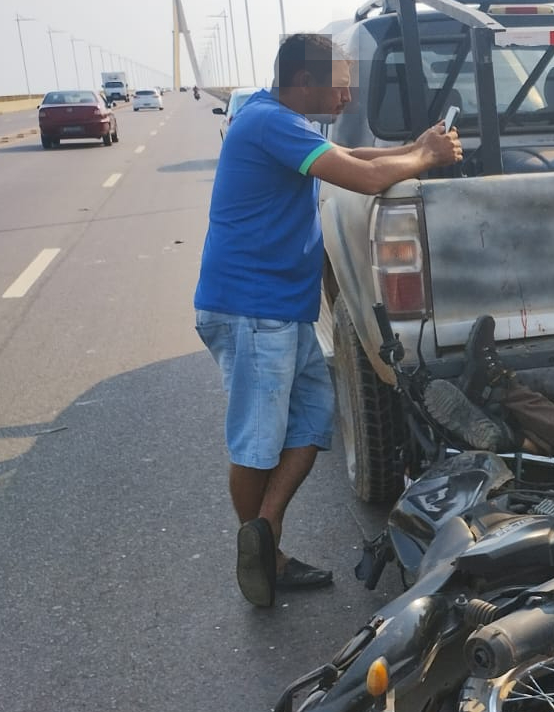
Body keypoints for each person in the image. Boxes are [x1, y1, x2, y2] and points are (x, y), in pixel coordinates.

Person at [194, 33, 461, 609]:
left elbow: (355, 160)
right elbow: (363, 179)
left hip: (280, 310)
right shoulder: (267, 122)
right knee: (257, 442)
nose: (347, 94)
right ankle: (264, 554)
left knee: (313, 422)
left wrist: (412, 147)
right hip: (251, 310)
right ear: (303, 82)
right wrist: (427, 157)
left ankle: (263, 538)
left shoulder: (284, 122)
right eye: (340, 83)